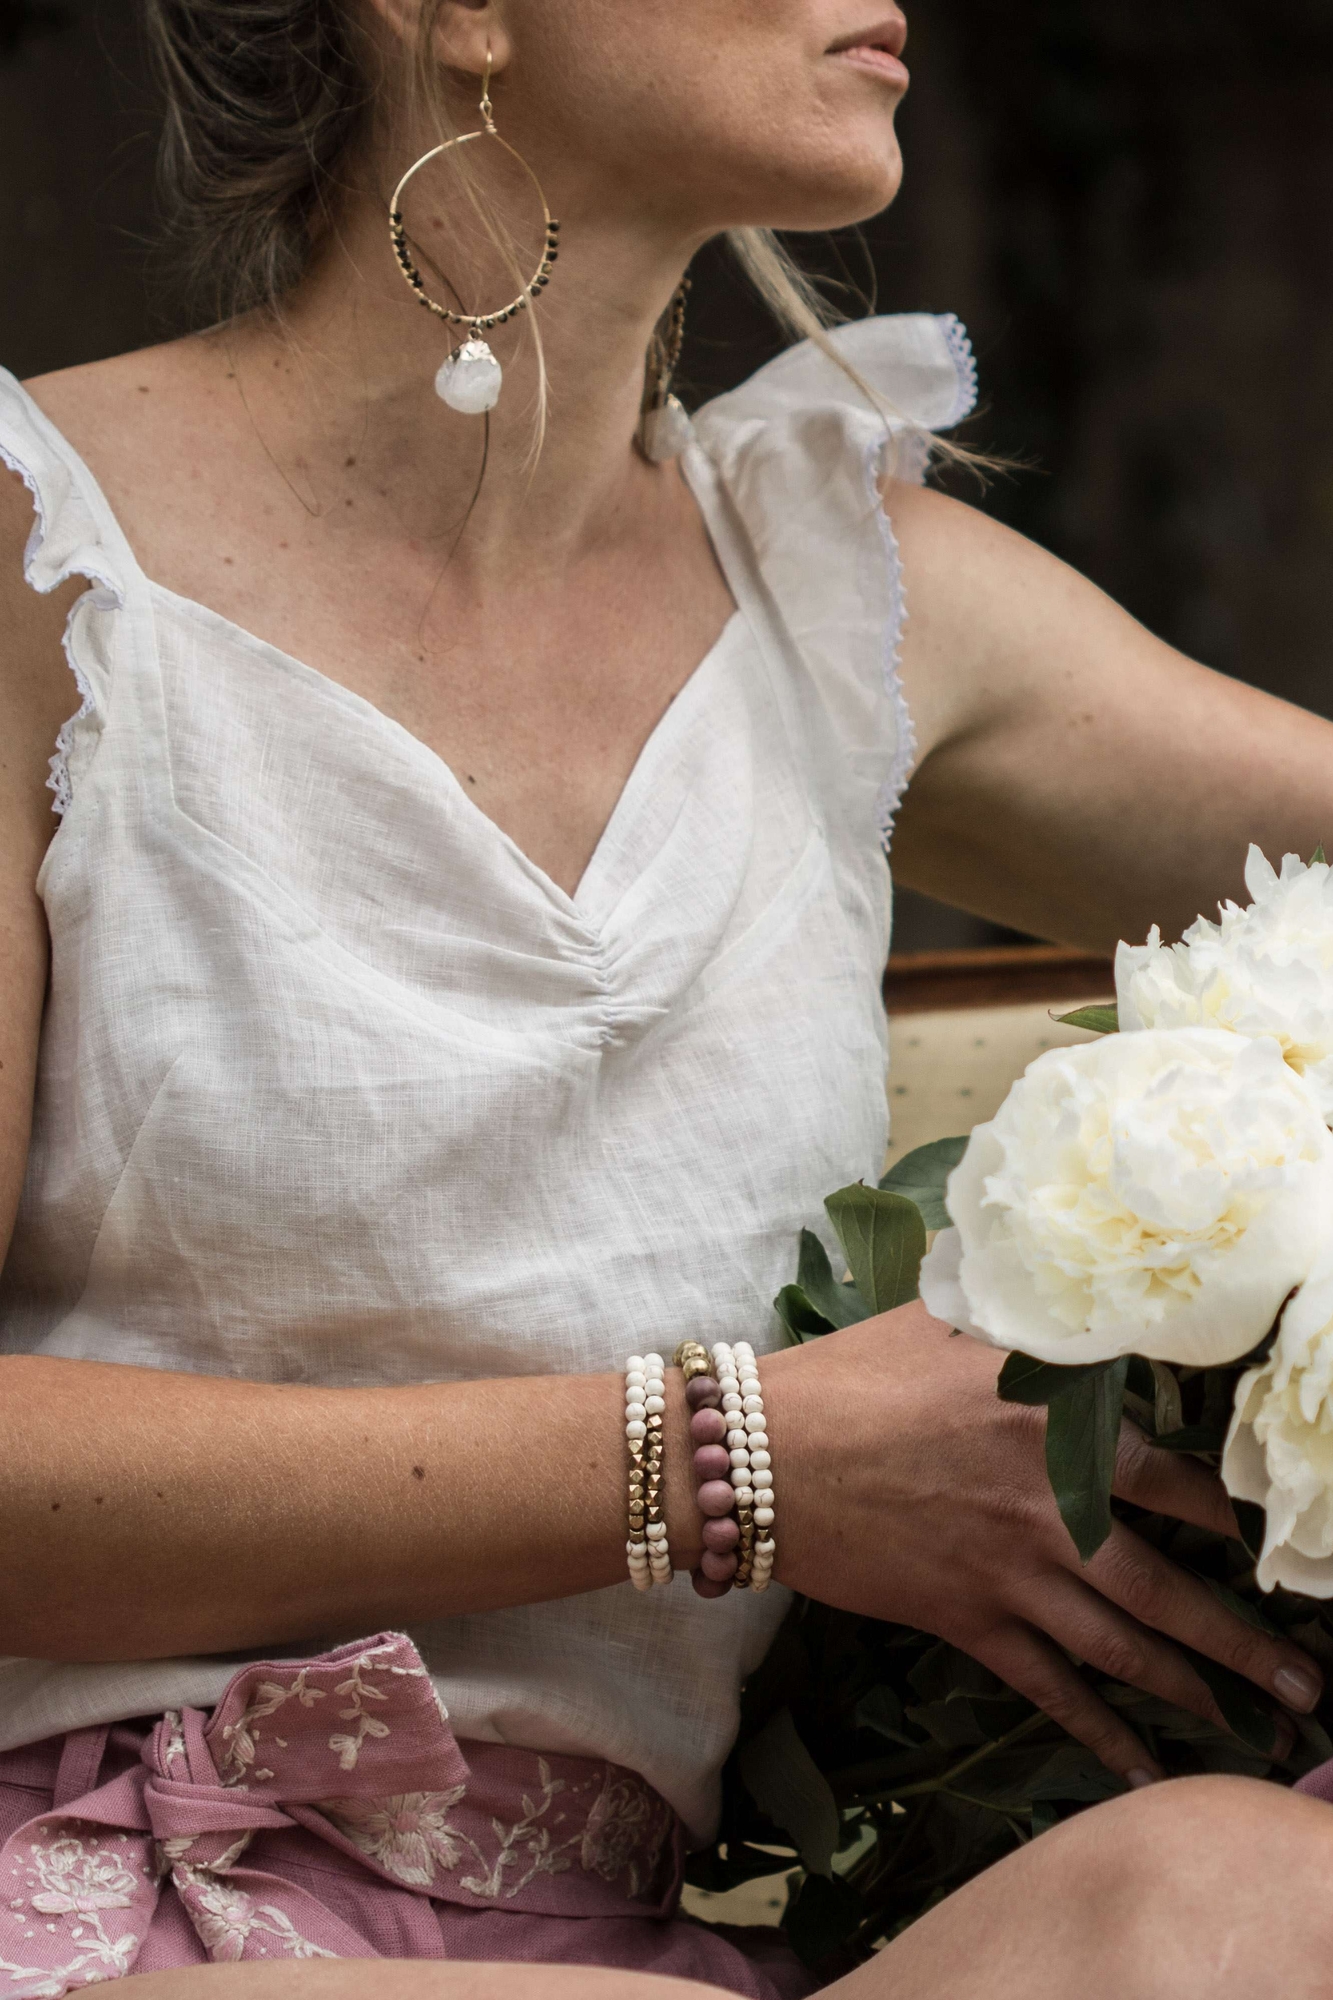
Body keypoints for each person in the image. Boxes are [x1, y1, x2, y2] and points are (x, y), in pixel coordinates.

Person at [3, 1, 1333, 1993]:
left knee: (1242, 1902)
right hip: (91, 1901)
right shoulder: (42, 564)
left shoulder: (846, 591)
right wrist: (733, 1456)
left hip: (622, 1952)